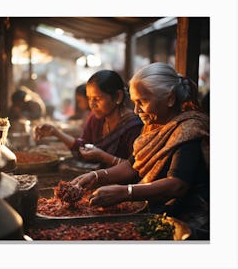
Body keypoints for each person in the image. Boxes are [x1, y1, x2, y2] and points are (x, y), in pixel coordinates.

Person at [71, 62, 210, 238]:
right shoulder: (153, 126)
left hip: (185, 223)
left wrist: (126, 192)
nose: (136, 110)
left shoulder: (189, 130)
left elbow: (177, 185)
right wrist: (97, 176)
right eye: (134, 103)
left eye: (142, 102)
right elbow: (132, 165)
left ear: (170, 98)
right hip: (158, 213)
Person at [35, 69, 143, 167]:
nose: (92, 104)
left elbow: (136, 169)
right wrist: (56, 132)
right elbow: (83, 147)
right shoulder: (95, 118)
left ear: (118, 97)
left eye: (97, 98)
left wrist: (103, 156)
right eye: (89, 98)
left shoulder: (133, 126)